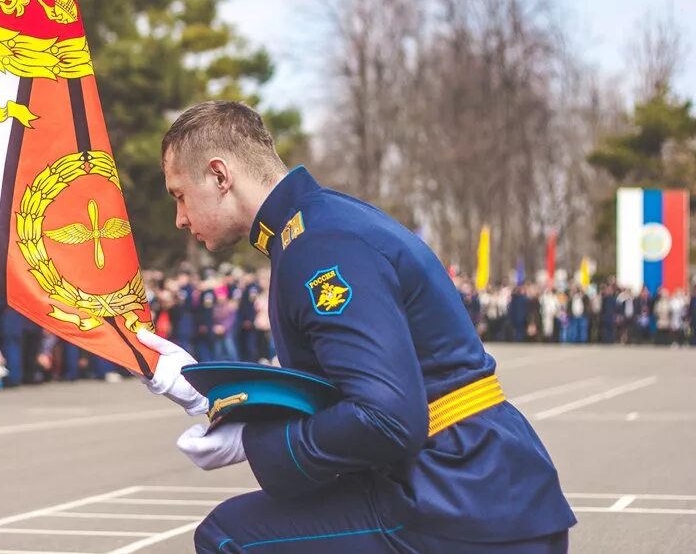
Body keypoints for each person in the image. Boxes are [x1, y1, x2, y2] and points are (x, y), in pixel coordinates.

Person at [139, 101, 575, 553]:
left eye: (179, 195)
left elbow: (385, 418)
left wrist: (253, 442)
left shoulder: (319, 243)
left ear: (219, 175)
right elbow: (344, 385)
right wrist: (209, 394)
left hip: (456, 491)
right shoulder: (317, 224)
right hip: (480, 483)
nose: (180, 218)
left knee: (230, 537)